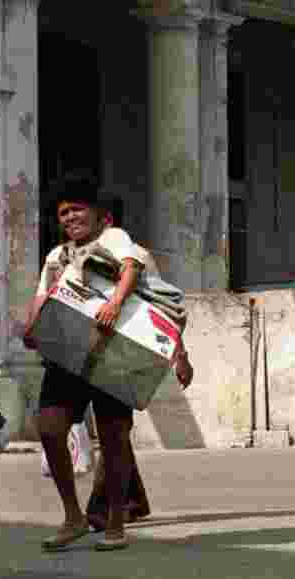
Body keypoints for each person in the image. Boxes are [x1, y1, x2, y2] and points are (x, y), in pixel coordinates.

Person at [21, 177, 155, 551]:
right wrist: (31, 329)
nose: (69, 217)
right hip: (66, 354)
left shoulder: (112, 238)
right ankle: (73, 517)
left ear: (101, 216)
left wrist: (114, 303)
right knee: (49, 427)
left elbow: (131, 266)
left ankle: (114, 522)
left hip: (112, 354)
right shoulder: (57, 256)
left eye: (77, 209)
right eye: (63, 212)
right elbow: (42, 296)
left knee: (114, 438)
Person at [84, 207, 194, 532]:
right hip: (97, 353)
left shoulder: (136, 255)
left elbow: (163, 309)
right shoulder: (82, 257)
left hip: (127, 352)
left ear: (107, 221)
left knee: (112, 430)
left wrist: (181, 357)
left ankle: (100, 509)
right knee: (114, 431)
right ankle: (132, 501)